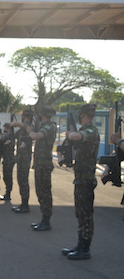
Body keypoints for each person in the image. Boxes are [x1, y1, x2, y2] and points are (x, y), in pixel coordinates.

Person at [61, 104, 99, 260]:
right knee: (80, 213)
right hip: (80, 179)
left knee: (86, 215)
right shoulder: (85, 130)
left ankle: (85, 249)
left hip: (86, 180)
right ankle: (80, 244)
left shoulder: (91, 130)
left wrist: (70, 134)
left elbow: (76, 136)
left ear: (83, 115)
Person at [27, 106, 57, 231]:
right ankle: (44, 219)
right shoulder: (45, 125)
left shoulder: (49, 126)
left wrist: (30, 131)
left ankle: (46, 221)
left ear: (43, 114)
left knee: (45, 192)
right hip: (40, 164)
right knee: (40, 192)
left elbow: (36, 136)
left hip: (44, 165)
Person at [10, 110, 34, 213]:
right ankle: (23, 203)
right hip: (20, 157)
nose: (24, 118)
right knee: (20, 179)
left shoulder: (29, 126)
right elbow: (14, 135)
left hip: (25, 157)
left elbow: (26, 127)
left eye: (25, 116)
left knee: (23, 180)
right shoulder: (22, 130)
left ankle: (25, 205)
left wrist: (16, 124)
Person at [0, 123, 15, 201]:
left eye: (5, 128)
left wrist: (2, 135)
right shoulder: (8, 135)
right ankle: (7, 193)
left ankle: (8, 194)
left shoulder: (10, 135)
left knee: (8, 177)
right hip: (6, 159)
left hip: (9, 159)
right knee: (6, 177)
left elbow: (0, 138)